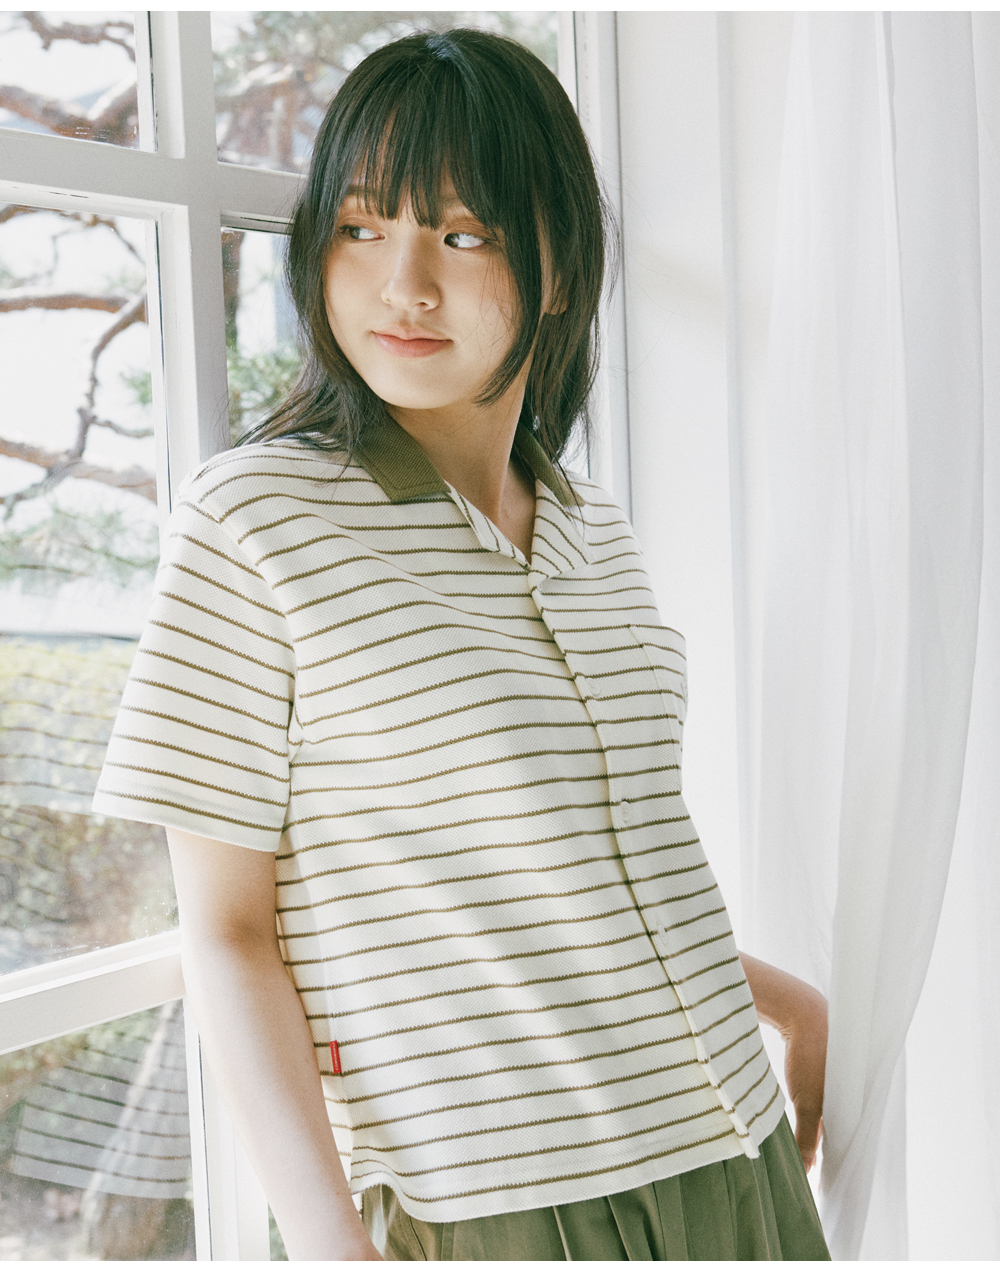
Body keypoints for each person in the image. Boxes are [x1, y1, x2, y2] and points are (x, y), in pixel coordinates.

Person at [93, 29, 830, 1261]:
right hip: (491, 1201)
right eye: (361, 226)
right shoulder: (254, 523)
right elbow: (227, 932)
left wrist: (782, 997)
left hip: (735, 1156)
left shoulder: (591, 528)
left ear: (558, 267)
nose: (404, 285)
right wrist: (331, 1242)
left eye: (465, 234)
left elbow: (567, 864)